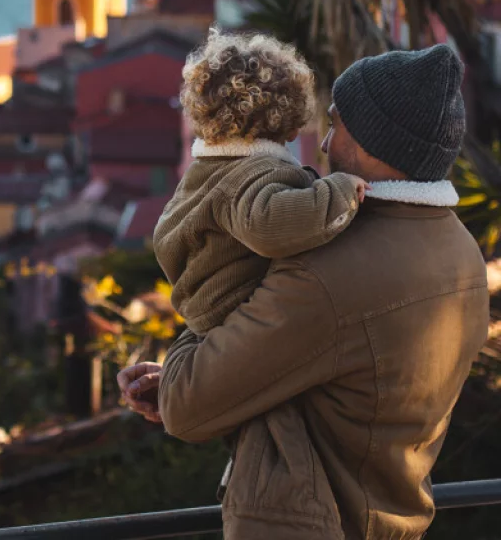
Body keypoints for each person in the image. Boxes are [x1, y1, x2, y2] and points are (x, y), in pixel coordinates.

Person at [118, 45, 490, 540]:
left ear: (374, 143)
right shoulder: (460, 251)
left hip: (310, 523)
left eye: (337, 127)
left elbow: (188, 408)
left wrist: (203, 299)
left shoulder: (331, 272)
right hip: (395, 518)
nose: (324, 144)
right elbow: (337, 367)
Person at [151, 28, 366, 539]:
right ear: (287, 110)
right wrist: (339, 193)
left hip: (206, 316)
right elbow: (272, 226)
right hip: (236, 307)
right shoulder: (256, 172)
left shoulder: (205, 167)